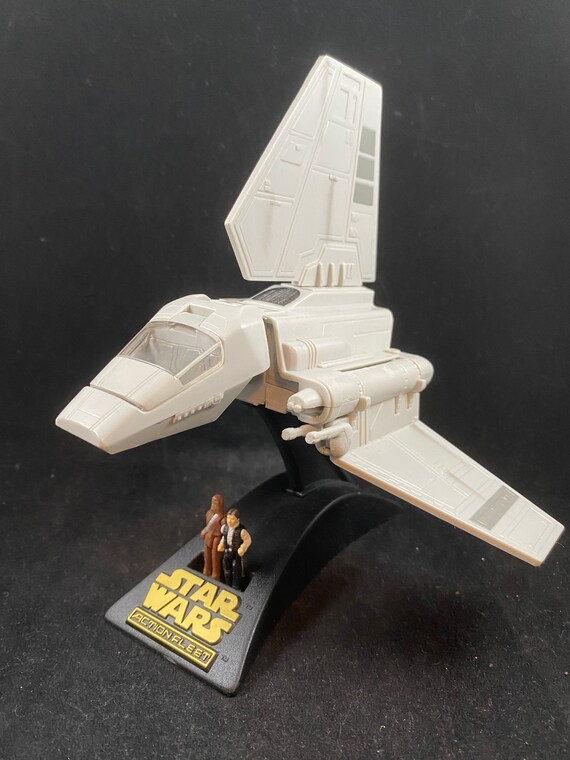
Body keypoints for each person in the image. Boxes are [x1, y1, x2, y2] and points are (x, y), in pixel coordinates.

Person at [217, 508, 252, 590]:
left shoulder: (242, 531)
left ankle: (236, 587)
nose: (229, 521)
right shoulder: (224, 528)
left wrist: (243, 548)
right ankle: (227, 585)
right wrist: (221, 544)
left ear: (237, 519)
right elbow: (224, 537)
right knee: (226, 569)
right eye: (228, 518)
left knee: (236, 570)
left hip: (236, 553)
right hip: (227, 552)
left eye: (232, 519)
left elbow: (248, 540)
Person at [200, 493, 225, 580]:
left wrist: (223, 543)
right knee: (207, 554)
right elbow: (208, 526)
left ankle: (215, 574)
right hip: (208, 536)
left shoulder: (222, 519)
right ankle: (206, 570)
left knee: (215, 556)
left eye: (216, 503)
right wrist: (204, 531)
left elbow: (225, 532)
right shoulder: (208, 513)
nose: (213, 504)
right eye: (212, 502)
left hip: (216, 538)